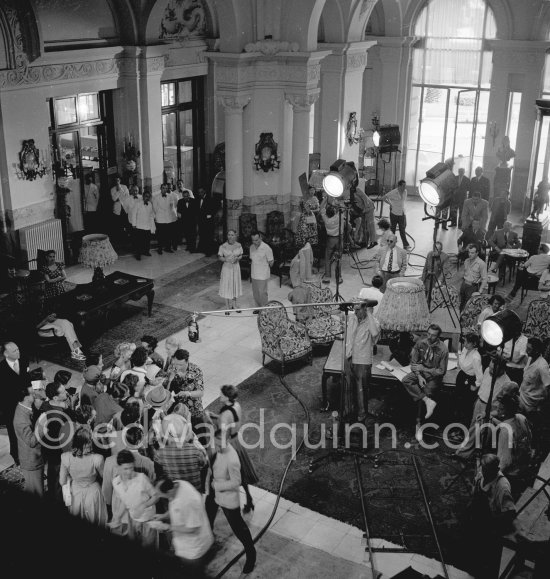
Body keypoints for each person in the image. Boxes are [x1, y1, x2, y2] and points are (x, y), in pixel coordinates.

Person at [205, 429, 257, 574]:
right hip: (214, 494)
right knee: (207, 516)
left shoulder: (232, 458)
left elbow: (236, 481)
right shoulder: (217, 450)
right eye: (215, 440)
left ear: (227, 440)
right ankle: (207, 545)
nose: (215, 443)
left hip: (228, 498)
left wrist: (217, 486)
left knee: (238, 528)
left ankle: (251, 554)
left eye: (219, 441)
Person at [209, 384, 259, 513]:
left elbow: (222, 431)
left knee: (227, 473)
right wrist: (216, 416)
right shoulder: (236, 405)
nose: (219, 396)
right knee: (242, 473)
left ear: (226, 397)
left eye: (221, 395)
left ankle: (220, 501)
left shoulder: (225, 413)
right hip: (237, 440)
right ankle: (249, 499)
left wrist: (210, 420)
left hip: (229, 443)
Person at [468, 454, 516, 578]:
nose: (483, 472)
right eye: (483, 469)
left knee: (487, 559)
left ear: (495, 469)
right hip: (478, 518)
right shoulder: (482, 473)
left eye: (487, 470)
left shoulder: (502, 486)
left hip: (491, 524)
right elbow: (475, 491)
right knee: (473, 550)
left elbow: (510, 512)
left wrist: (491, 524)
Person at [156, 478, 214, 577]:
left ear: (169, 491)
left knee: (193, 574)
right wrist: (163, 516)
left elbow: (193, 528)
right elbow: (175, 508)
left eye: (162, 495)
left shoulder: (188, 501)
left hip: (194, 548)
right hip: (184, 543)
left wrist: (168, 527)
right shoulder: (178, 483)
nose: (160, 497)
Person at [402, 324, 448, 441]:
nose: (429, 337)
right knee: (406, 380)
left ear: (438, 337)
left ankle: (419, 426)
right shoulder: (420, 343)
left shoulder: (443, 349)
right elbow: (413, 364)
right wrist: (419, 376)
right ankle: (428, 402)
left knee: (425, 392)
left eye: (433, 335)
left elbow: (441, 371)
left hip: (433, 377)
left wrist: (424, 370)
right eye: (428, 334)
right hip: (421, 374)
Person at [60, 425, 108, 525]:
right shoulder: (98, 458)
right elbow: (105, 477)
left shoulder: (65, 457)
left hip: (75, 494)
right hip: (93, 494)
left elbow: (62, 481)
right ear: (89, 442)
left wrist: (71, 476)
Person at [110, 449, 159, 547]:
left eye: (131, 468)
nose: (129, 472)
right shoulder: (116, 482)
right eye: (125, 469)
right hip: (132, 519)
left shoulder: (142, 478)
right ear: (118, 467)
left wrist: (144, 505)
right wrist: (117, 518)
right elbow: (124, 502)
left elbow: (156, 496)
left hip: (147, 520)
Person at [36, 381, 74, 501]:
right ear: (55, 397)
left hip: (48, 447)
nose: (66, 393)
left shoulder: (47, 404)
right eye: (63, 392)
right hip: (57, 450)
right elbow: (61, 438)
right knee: (57, 476)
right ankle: (57, 500)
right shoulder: (57, 417)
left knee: (53, 474)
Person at [153, 414, 207, 493]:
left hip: (175, 495)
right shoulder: (196, 451)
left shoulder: (159, 454)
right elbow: (204, 468)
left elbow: (159, 476)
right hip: (195, 493)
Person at [345, 302, 380, 422]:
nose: (355, 312)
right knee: (349, 387)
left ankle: (362, 416)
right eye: (354, 310)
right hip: (350, 356)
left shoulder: (373, 322)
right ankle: (350, 413)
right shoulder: (354, 317)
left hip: (363, 360)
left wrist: (369, 314)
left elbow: (375, 333)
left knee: (362, 390)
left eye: (358, 310)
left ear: (365, 309)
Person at [0, 341, 31, 465]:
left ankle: (28, 452)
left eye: (18, 349)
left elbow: (27, 379)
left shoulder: (23, 360)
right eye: (14, 351)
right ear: (6, 354)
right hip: (10, 406)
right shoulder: (1, 369)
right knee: (14, 433)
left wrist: (31, 394)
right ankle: (17, 457)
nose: (18, 352)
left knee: (27, 427)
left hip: (24, 402)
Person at [13, 387, 43, 495]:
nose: (35, 394)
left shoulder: (27, 407)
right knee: (37, 493)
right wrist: (42, 426)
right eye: (32, 393)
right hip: (31, 460)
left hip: (36, 457)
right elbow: (31, 441)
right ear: (26, 397)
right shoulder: (21, 419)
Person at [167, 349, 205, 432]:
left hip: (194, 407)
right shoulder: (171, 368)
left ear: (187, 361)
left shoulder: (196, 370)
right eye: (176, 364)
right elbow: (166, 391)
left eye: (181, 364)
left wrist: (187, 393)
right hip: (179, 409)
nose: (177, 367)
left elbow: (201, 392)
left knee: (200, 432)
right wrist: (170, 380)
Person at [455, 333, 483, 425]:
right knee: (458, 401)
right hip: (462, 376)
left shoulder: (476, 357)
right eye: (464, 342)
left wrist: (475, 386)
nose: (465, 344)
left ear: (474, 344)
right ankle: (457, 421)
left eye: (467, 342)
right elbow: (461, 361)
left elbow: (480, 376)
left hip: (469, 380)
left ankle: (464, 425)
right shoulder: (465, 349)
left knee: (465, 404)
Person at [518, 337, 550, 417]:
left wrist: (540, 405)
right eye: (526, 348)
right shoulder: (530, 358)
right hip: (522, 398)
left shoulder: (542, 366)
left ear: (537, 351)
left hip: (531, 405)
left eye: (529, 349)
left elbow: (548, 387)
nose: (526, 351)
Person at [218, 229, 243, 311]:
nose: (230, 236)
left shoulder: (239, 245)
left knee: (235, 284)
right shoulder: (223, 246)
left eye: (232, 235)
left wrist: (238, 258)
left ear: (236, 236)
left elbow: (241, 255)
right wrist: (226, 260)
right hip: (227, 268)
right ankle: (227, 306)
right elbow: (220, 257)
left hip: (236, 268)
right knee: (227, 285)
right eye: (229, 234)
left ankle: (234, 305)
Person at [249, 231, 274, 309]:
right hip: (254, 274)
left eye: (256, 240)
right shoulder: (251, 247)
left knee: (262, 293)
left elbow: (271, 262)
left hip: (262, 274)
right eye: (253, 240)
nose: (255, 242)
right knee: (255, 293)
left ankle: (264, 309)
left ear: (260, 238)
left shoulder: (266, 248)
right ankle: (258, 308)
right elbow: (251, 259)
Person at [129, 187, 156, 260]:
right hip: (139, 225)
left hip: (147, 225)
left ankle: (146, 251)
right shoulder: (138, 204)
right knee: (139, 241)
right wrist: (134, 224)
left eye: (148, 196)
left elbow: (152, 214)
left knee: (147, 240)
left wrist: (153, 217)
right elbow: (134, 214)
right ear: (143, 196)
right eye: (145, 196)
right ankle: (138, 254)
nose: (147, 197)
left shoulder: (150, 204)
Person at [459, 244, 488, 310]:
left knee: (468, 307)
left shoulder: (481, 263)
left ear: (477, 253)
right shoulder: (466, 261)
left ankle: (464, 319)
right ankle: (460, 319)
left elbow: (485, 279)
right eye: (469, 252)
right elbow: (464, 274)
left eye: (472, 253)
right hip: (464, 285)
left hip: (472, 287)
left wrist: (480, 291)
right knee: (461, 304)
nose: (470, 254)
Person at [383, 179, 410, 249]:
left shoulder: (405, 192)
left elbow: (403, 202)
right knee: (393, 230)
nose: (405, 187)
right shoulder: (393, 192)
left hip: (402, 214)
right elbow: (384, 197)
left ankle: (405, 245)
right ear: (399, 186)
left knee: (402, 229)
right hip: (394, 214)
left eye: (405, 186)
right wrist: (390, 204)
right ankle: (391, 244)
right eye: (403, 186)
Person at [153, 182, 178, 254]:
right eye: (163, 188)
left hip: (168, 218)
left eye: (166, 188)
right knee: (160, 235)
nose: (165, 190)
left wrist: (173, 216)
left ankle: (168, 248)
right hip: (160, 218)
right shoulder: (156, 197)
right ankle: (160, 249)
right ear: (160, 188)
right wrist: (158, 215)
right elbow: (154, 208)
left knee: (169, 234)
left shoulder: (170, 196)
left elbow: (172, 207)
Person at [320, 197, 341, 283]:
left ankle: (327, 276)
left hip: (330, 239)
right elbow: (339, 208)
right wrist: (336, 202)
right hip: (338, 239)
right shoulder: (337, 217)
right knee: (338, 258)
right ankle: (338, 277)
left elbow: (321, 207)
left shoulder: (326, 219)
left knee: (328, 258)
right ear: (334, 212)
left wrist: (326, 198)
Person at [196, 187, 219, 256]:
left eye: (201, 192)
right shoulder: (198, 199)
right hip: (201, 220)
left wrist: (211, 215)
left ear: (204, 191)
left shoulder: (210, 199)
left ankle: (209, 251)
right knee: (202, 234)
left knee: (208, 236)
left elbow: (216, 207)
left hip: (208, 221)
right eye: (199, 192)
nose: (200, 193)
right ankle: (201, 249)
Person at [110, 174, 130, 242]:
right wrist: (118, 191)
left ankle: (126, 238)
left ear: (120, 180)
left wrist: (120, 189)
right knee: (118, 224)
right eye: (116, 180)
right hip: (117, 209)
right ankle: (119, 239)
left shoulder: (124, 187)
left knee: (125, 223)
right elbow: (114, 199)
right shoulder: (112, 189)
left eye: (118, 180)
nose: (117, 182)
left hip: (124, 208)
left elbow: (127, 197)